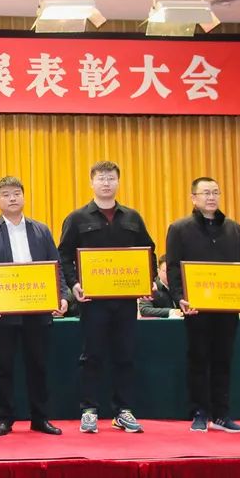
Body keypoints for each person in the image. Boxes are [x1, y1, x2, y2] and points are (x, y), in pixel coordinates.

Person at [58, 161, 156, 434]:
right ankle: (89, 410)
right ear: (91, 182)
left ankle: (123, 411)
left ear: (118, 182)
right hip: (93, 302)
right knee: (92, 355)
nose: (106, 183)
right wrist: (74, 284)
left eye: (111, 178)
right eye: (101, 178)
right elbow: (63, 255)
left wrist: (147, 280)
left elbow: (148, 251)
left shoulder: (132, 217)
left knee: (125, 355)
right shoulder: (77, 218)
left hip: (125, 300)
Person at [166, 177, 240, 434]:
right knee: (198, 359)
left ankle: (221, 414)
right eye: (206, 193)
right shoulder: (179, 229)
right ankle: (199, 412)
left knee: (223, 360)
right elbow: (173, 268)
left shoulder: (233, 229)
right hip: (196, 308)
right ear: (193, 198)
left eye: (215, 192)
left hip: (227, 308)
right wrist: (180, 297)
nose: (211, 197)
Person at [0, 177, 69, 437]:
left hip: (37, 311)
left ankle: (40, 418)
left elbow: (56, 266)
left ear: (24, 197)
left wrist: (62, 296)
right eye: (6, 194)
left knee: (38, 367)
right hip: (2, 313)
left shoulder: (41, 230)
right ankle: (4, 419)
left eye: (17, 193)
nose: (12, 198)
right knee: (2, 369)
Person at [139, 253, 182, 319]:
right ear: (158, 271)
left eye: (173, 272)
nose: (169, 275)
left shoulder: (182, 287)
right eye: (165, 271)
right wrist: (170, 312)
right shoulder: (151, 287)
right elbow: (144, 310)